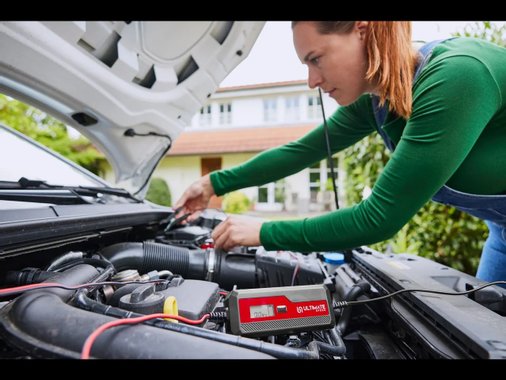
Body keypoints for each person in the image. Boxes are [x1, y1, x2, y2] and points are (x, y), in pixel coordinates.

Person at [175, 21, 506, 283]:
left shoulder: (457, 77)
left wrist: (263, 232)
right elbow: (300, 152)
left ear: (362, 31)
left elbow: (378, 218)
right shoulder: (377, 100)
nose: (311, 81)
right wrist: (212, 184)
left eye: (315, 59)